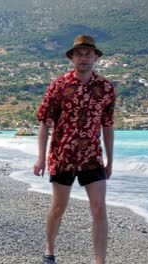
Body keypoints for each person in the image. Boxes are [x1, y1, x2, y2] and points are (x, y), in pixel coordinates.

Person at [33, 35, 115, 264]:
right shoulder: (58, 86)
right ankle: (49, 251)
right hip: (62, 156)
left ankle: (100, 261)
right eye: (79, 53)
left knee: (99, 208)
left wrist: (110, 161)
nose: (84, 57)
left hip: (92, 156)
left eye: (88, 53)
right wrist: (41, 159)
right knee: (59, 206)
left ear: (96, 57)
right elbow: (44, 123)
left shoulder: (106, 88)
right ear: (72, 58)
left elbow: (108, 126)